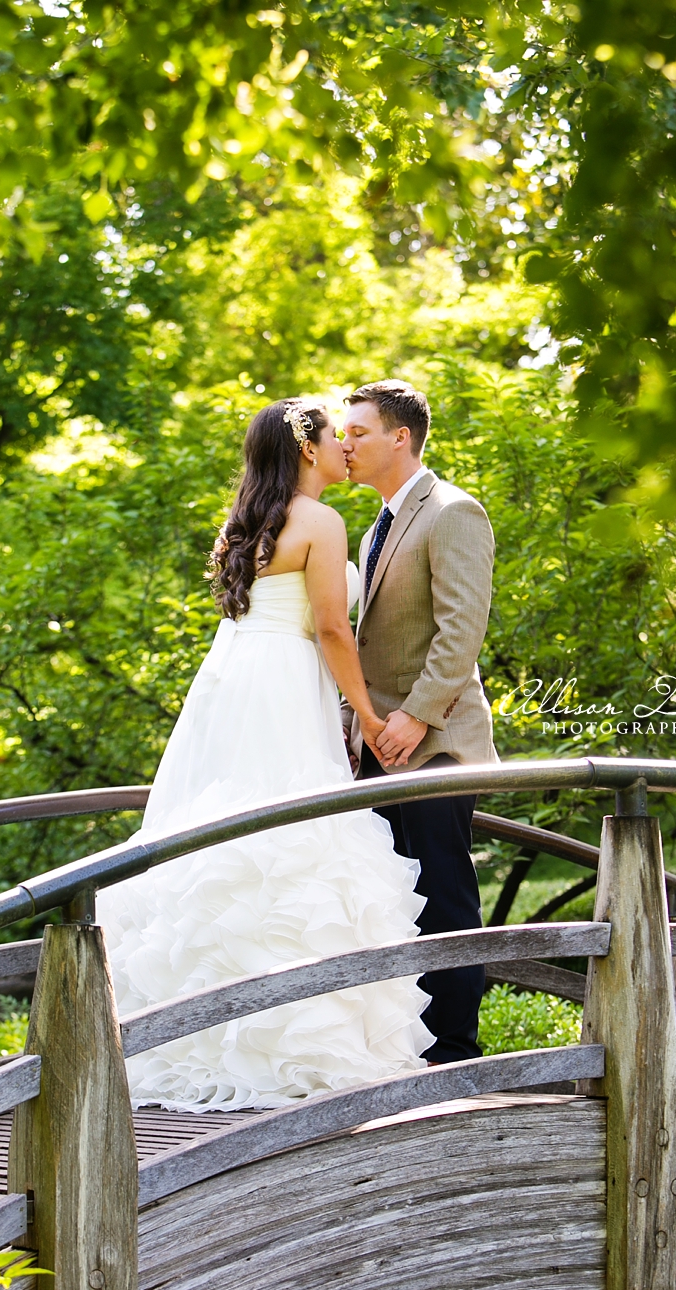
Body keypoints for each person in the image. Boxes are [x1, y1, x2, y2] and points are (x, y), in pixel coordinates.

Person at [94, 397, 431, 1112]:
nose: (346, 447)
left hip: (238, 684)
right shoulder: (322, 521)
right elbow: (335, 631)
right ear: (307, 450)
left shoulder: (252, 520)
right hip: (284, 689)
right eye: (335, 437)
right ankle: (293, 1039)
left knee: (232, 840)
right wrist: (369, 718)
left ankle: (200, 1029)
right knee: (293, 844)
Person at [340, 379, 499, 1066]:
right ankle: (405, 1047)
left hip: (434, 744)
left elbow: (462, 631)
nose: (344, 444)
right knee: (391, 896)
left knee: (442, 893)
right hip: (379, 747)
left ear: (400, 438)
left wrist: (415, 715)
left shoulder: (453, 513)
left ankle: (456, 1055)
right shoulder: (377, 522)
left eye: (358, 432)